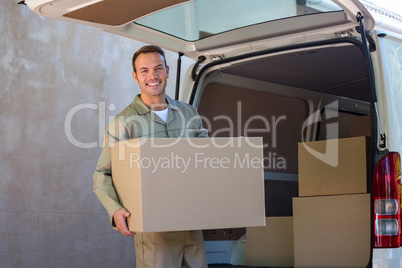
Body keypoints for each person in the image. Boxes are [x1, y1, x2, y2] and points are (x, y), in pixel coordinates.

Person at [93, 45, 208, 268]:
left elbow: (205, 161)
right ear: (135, 77)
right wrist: (115, 210)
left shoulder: (189, 114)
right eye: (144, 71)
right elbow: (102, 174)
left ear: (167, 71)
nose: (152, 76)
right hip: (155, 232)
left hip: (192, 226)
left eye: (158, 68)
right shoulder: (123, 123)